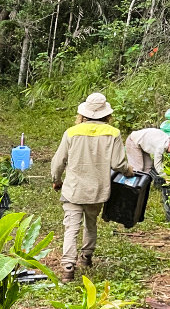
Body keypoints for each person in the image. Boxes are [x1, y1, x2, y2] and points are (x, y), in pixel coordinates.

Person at [50, 92, 134, 283]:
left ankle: (68, 268)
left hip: (73, 189)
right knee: (90, 223)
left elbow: (58, 162)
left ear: (84, 113)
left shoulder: (71, 132)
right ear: (106, 114)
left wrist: (56, 179)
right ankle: (86, 257)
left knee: (71, 227)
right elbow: (118, 164)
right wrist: (129, 171)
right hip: (97, 190)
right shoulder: (113, 133)